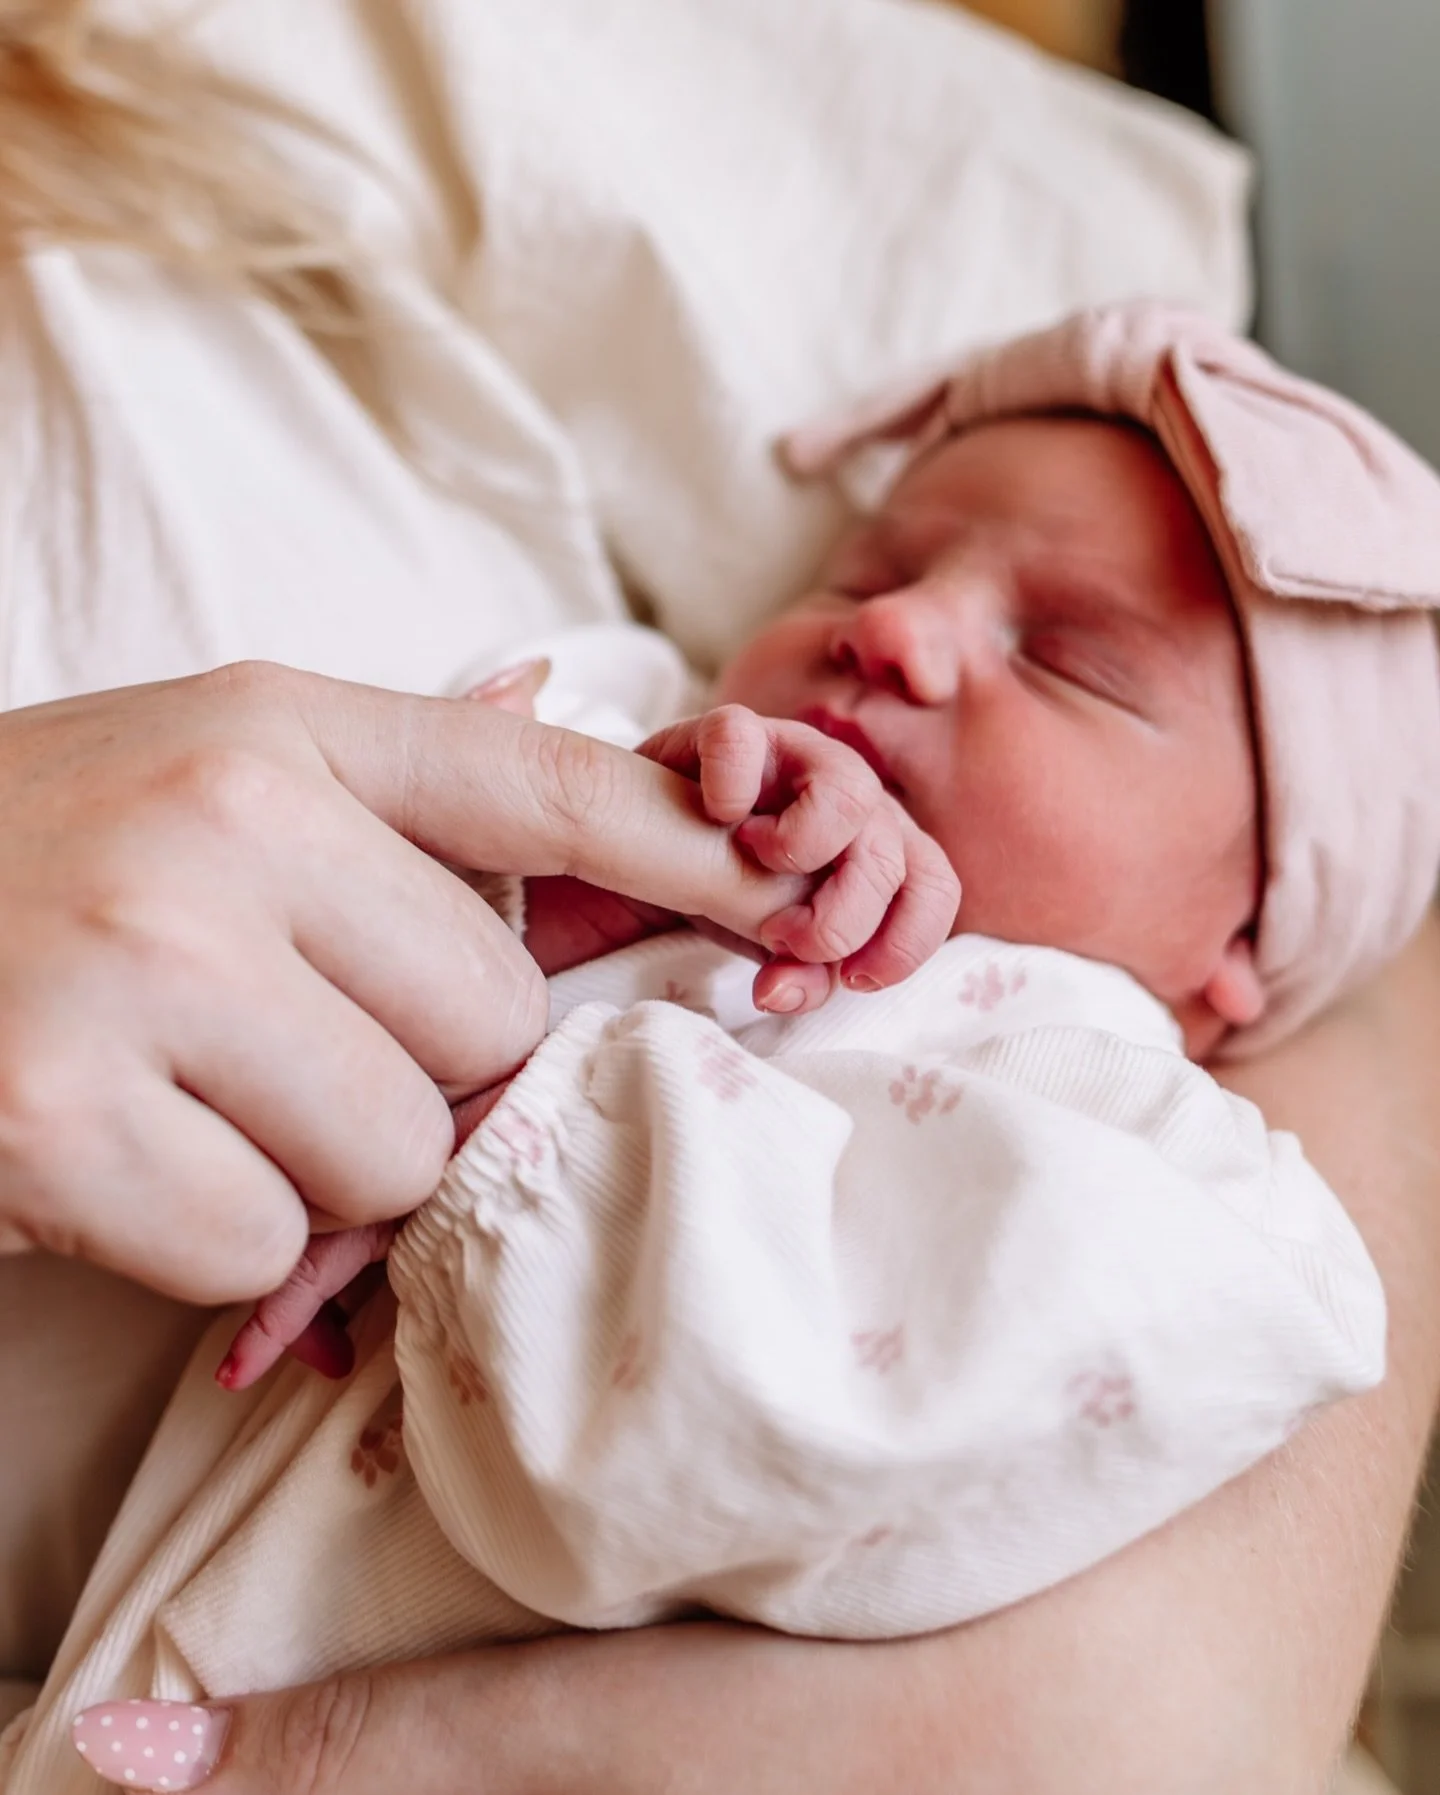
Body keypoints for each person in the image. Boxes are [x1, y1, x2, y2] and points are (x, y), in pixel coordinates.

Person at [0, 13, 1437, 1795]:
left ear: (1245, 951)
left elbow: (779, 1444)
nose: (893, 627)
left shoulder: (1113, 1134)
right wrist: (513, 906)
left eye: (1067, 661)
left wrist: (516, 1116)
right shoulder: (631, 751)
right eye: (869, 567)